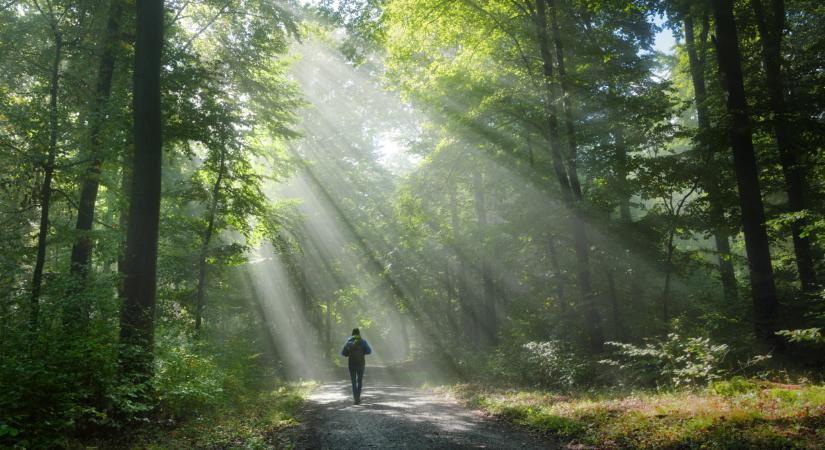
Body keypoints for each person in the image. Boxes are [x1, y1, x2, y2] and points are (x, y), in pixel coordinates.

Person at [341, 328, 372, 404]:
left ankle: (355, 398)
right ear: (359, 333)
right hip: (361, 364)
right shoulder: (363, 341)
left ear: (352, 334)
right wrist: (363, 352)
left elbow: (343, 353)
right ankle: (358, 397)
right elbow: (369, 351)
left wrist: (349, 352)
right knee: (359, 381)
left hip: (351, 364)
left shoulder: (349, 342)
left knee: (353, 382)